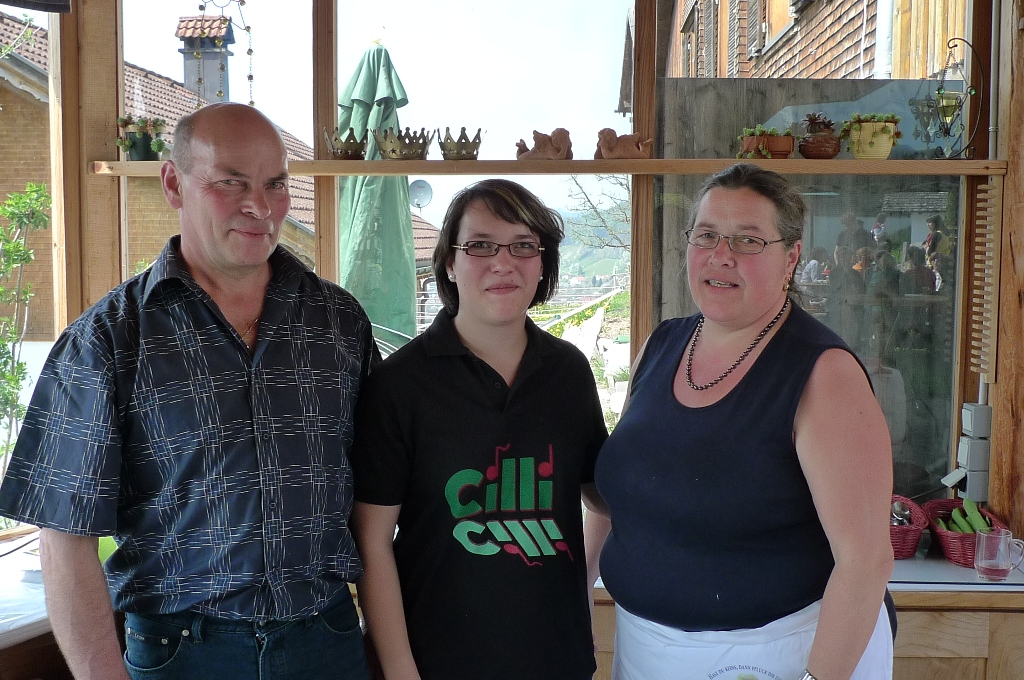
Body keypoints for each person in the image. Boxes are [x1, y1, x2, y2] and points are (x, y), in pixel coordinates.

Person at [0, 103, 378, 680]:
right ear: (173, 184)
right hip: (183, 653)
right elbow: (65, 537)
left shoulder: (339, 323)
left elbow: (380, 499)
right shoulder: (108, 340)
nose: (259, 206)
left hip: (326, 642)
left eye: (275, 184)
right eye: (231, 182)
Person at [589, 164, 894, 680]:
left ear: (791, 257)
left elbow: (865, 561)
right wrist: (581, 582)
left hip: (781, 653)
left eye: (748, 240)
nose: (721, 255)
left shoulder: (824, 374)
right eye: (707, 235)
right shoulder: (660, 345)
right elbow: (621, 489)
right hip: (644, 648)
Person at [350, 179, 607, 680]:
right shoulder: (399, 384)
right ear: (449, 261)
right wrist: (400, 670)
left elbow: (604, 497)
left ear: (543, 263)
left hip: (556, 660)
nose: (503, 263)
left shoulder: (569, 372)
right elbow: (371, 541)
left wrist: (583, 584)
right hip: (434, 661)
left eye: (523, 246)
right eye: (481, 245)